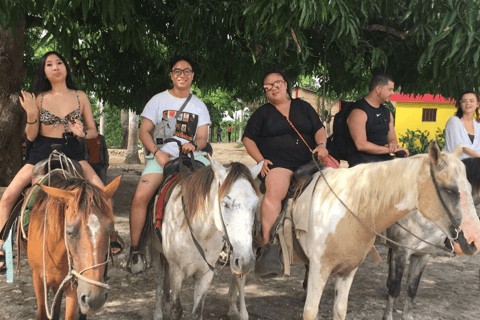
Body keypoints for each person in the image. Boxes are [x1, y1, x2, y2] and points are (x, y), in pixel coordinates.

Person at [0, 51, 122, 273]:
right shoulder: (39, 98)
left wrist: (82, 133)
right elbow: (30, 135)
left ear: (66, 68)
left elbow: (94, 131)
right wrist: (30, 113)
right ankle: (2, 246)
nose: (55, 67)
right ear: (44, 72)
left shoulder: (80, 96)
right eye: (49, 64)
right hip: (40, 153)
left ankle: (111, 235)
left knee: (103, 193)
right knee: (8, 197)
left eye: (59, 63)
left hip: (73, 153)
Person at [127, 55, 211, 274]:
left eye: (186, 71)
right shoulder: (157, 101)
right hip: (162, 157)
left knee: (216, 191)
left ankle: (219, 244)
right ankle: (136, 250)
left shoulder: (199, 105)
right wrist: (157, 153)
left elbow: (203, 137)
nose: (182, 75)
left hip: (193, 158)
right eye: (177, 71)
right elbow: (144, 132)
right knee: (140, 197)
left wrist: (194, 145)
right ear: (171, 75)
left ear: (192, 76)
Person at [242, 68, 329, 251]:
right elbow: (248, 139)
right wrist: (260, 160)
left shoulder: (303, 106)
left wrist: (322, 145)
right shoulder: (262, 113)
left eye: (277, 84)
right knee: (275, 192)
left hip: (310, 161)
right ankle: (267, 245)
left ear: (285, 84)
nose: (273, 89)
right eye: (268, 87)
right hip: (279, 163)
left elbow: (319, 129)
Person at [346, 73, 409, 167]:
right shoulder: (359, 112)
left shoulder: (388, 113)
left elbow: (392, 139)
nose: (392, 93)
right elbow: (361, 145)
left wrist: (393, 146)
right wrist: (390, 150)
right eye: (390, 89)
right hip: (362, 165)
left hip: (384, 161)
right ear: (378, 89)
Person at [444, 91, 480, 159]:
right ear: (460, 104)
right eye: (464, 101)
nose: (468, 103)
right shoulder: (454, 121)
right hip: (456, 163)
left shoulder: (478, 126)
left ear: (477, 104)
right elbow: (460, 147)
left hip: (475, 162)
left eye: (471, 101)